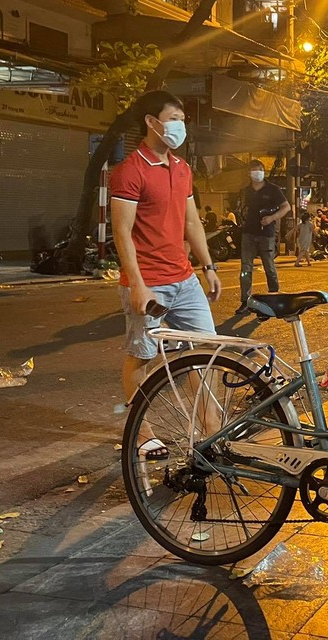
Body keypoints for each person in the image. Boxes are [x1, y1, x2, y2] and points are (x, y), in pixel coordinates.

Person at [109, 91, 222, 457]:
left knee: (207, 353)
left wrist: (208, 267)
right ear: (151, 121)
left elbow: (192, 221)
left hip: (184, 279)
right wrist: (138, 286)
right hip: (149, 283)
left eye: (182, 118)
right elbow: (121, 232)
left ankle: (212, 432)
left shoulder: (182, 168)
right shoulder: (130, 171)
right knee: (142, 357)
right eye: (173, 117)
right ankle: (141, 432)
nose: (179, 125)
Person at [236, 160, 290, 314]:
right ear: (249, 172)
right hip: (248, 233)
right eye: (254, 169)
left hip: (266, 235)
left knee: (269, 267)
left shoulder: (273, 189)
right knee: (245, 268)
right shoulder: (246, 191)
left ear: (264, 171)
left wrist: (272, 218)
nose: (257, 172)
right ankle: (245, 301)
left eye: (259, 169)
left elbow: (286, 207)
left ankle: (274, 297)